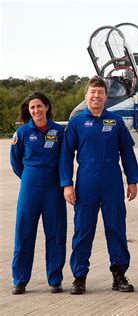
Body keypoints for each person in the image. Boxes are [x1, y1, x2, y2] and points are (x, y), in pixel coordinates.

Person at [60, 76, 138, 294]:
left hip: (112, 182)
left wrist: (132, 180)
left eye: (100, 93)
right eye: (92, 92)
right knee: (83, 230)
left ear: (106, 97)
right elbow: (66, 156)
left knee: (116, 228)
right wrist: (67, 184)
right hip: (86, 182)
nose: (96, 96)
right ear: (86, 95)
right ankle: (79, 277)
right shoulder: (76, 123)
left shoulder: (115, 122)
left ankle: (119, 274)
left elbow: (127, 152)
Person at [10, 92, 67, 295]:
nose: (36, 111)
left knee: (56, 233)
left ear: (47, 107)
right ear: (29, 111)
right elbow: (16, 162)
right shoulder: (22, 133)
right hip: (30, 187)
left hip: (54, 188)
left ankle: (55, 279)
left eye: (39, 106)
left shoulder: (59, 132)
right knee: (24, 233)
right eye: (32, 108)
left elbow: (65, 159)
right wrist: (29, 177)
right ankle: (20, 280)